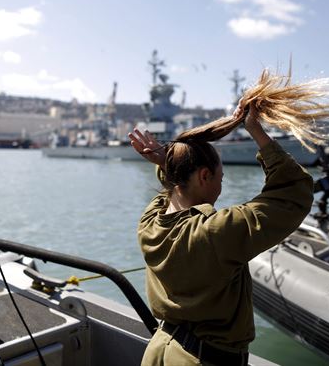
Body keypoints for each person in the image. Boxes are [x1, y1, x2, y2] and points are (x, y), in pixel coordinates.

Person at [129, 103, 314, 366]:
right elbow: (295, 193)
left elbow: (169, 191)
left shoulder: (150, 224)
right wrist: (257, 132)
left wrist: (167, 162)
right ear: (205, 176)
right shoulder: (218, 231)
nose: (220, 188)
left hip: (159, 352)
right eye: (221, 179)